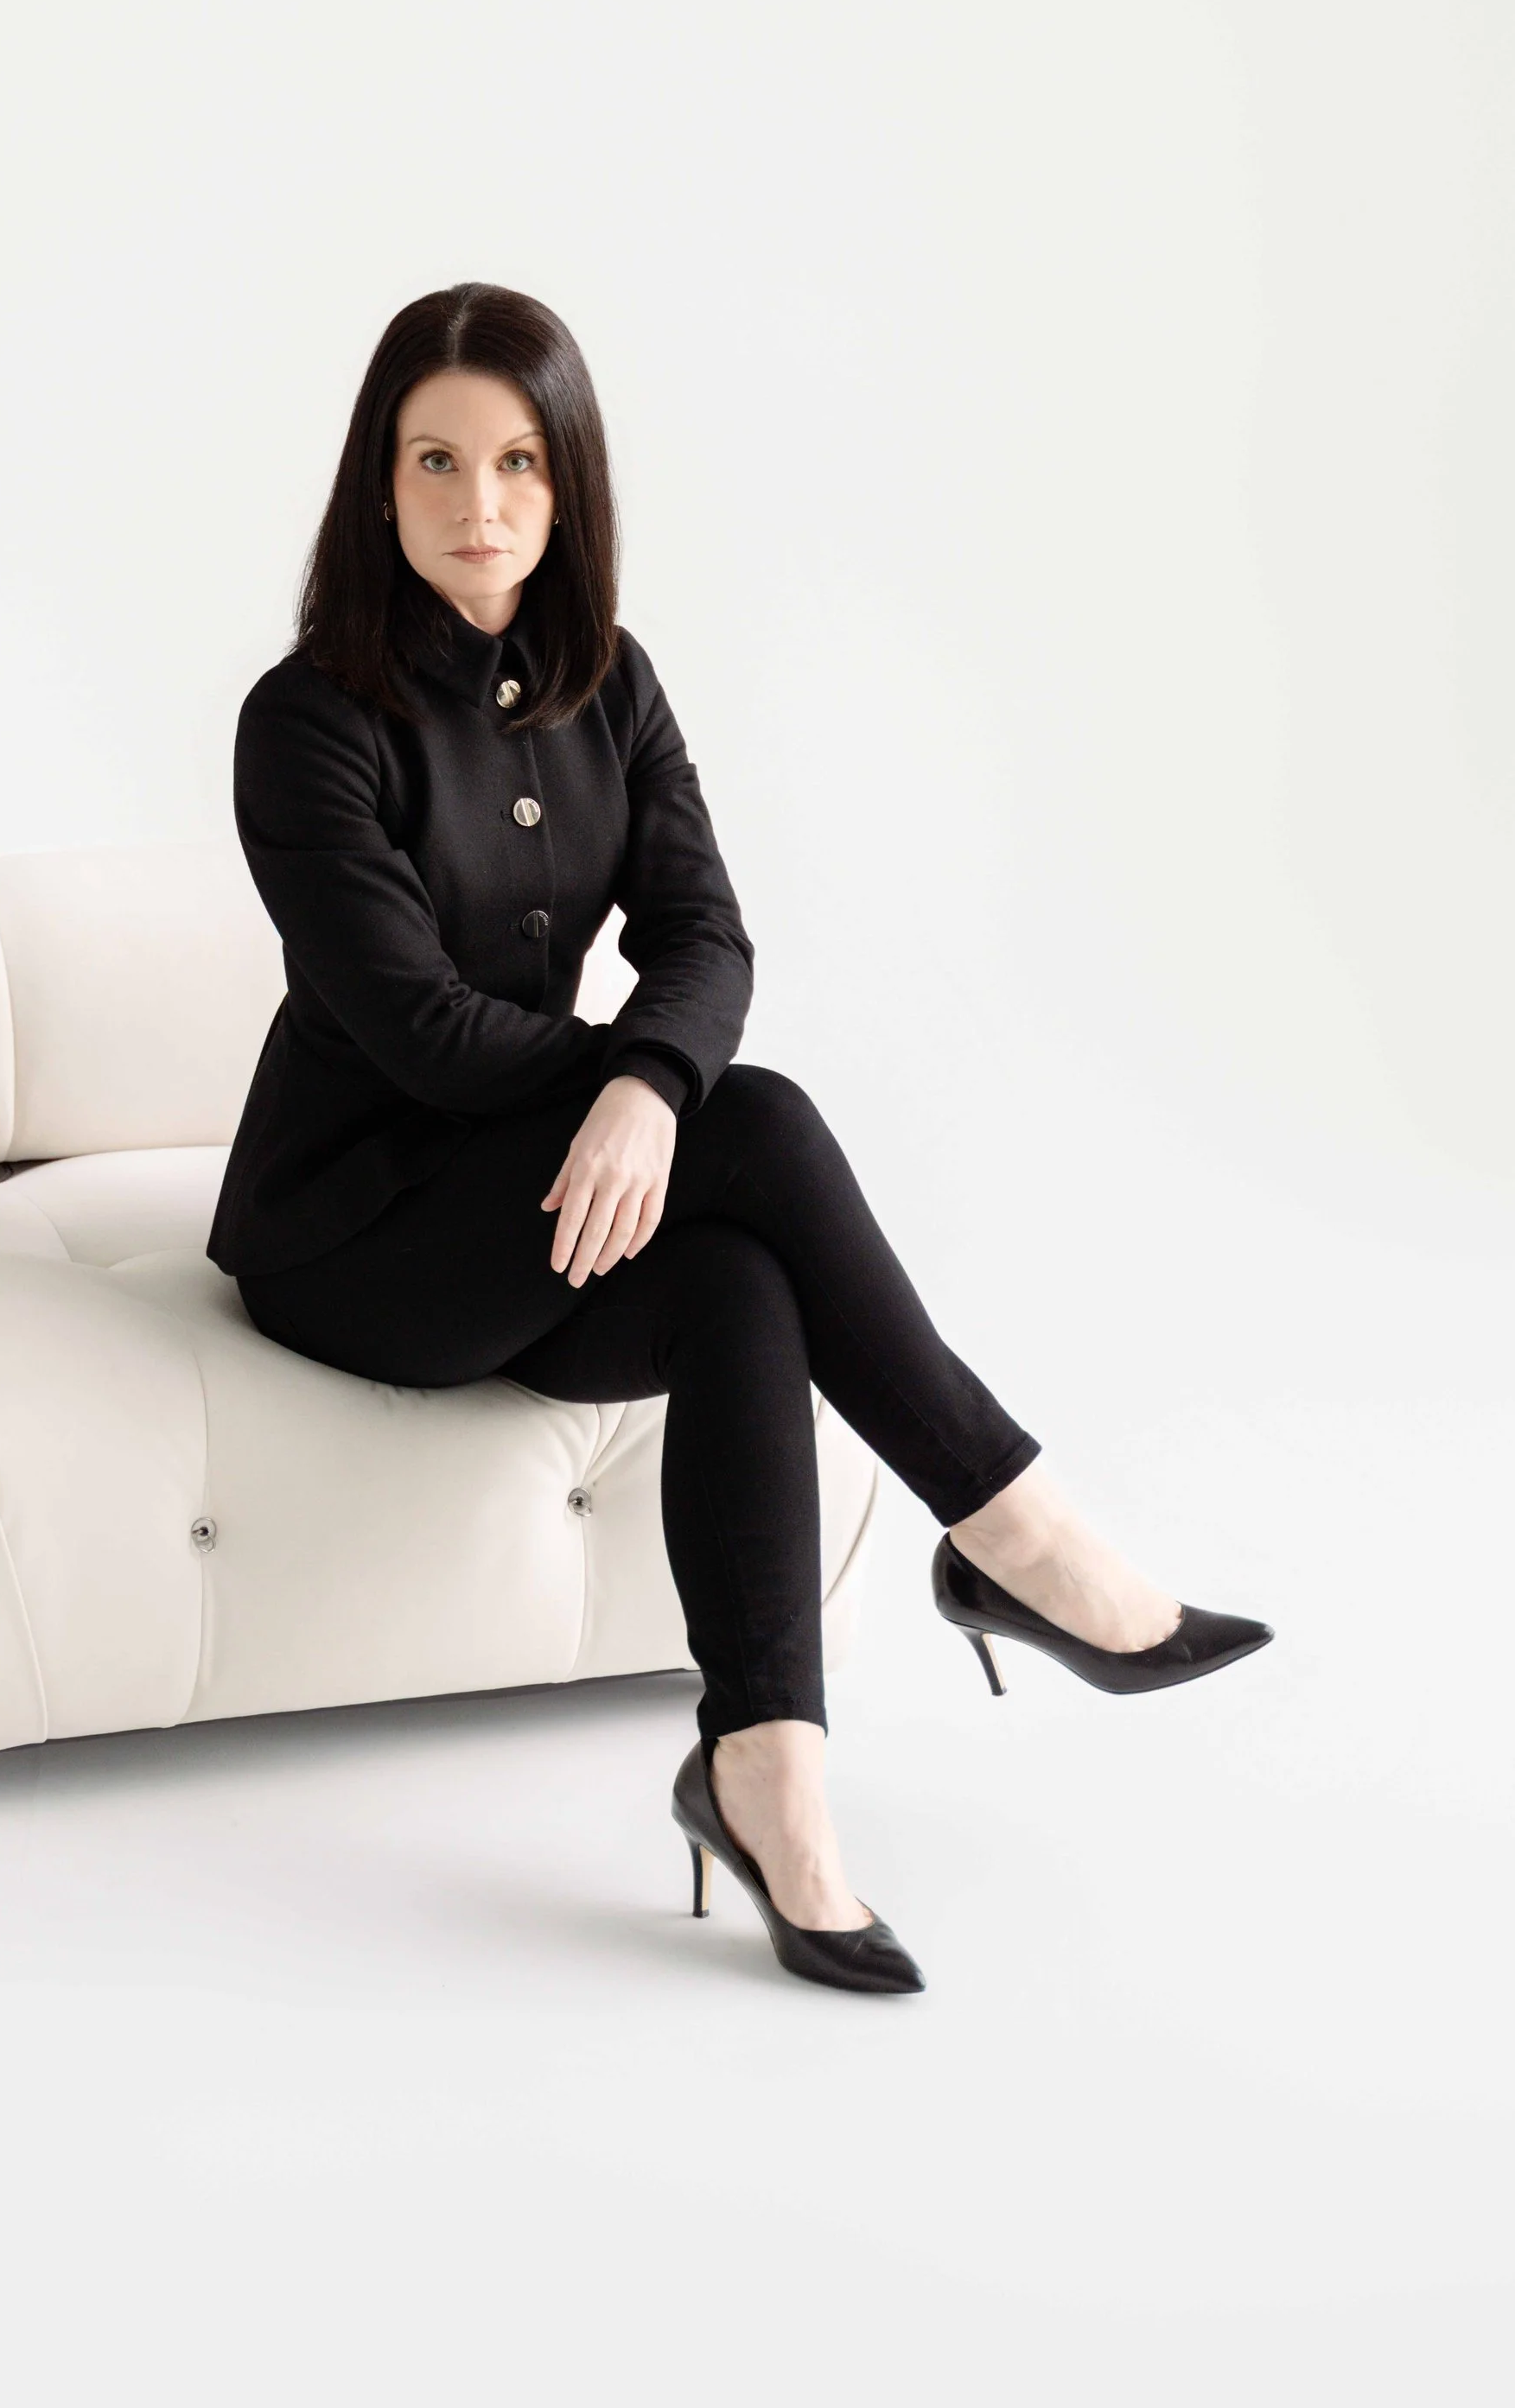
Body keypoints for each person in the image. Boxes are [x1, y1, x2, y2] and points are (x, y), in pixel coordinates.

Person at [205, 282, 1271, 1994]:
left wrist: (642, 1094)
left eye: (518, 465)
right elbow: (409, 1024)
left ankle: (763, 1779)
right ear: (374, 482)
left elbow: (707, 939)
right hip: (364, 1237)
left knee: (734, 1283)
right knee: (752, 1125)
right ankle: (1019, 1538)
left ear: (568, 490)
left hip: (543, 1203)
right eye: (434, 462)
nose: (477, 508)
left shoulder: (606, 685)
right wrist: (644, 1091)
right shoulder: (305, 722)